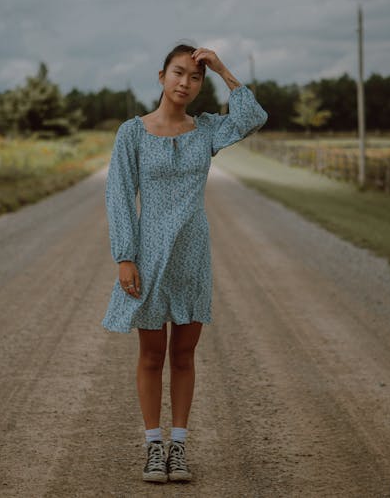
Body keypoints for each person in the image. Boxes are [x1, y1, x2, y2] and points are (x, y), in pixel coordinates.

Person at [101, 44, 268, 483]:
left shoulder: (207, 130)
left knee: (184, 354)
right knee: (152, 354)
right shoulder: (131, 133)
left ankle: (179, 447)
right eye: (179, 74)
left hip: (193, 254)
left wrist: (223, 69)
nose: (185, 84)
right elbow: (118, 195)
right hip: (150, 255)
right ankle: (153, 447)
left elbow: (253, 118)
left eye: (195, 78)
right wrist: (125, 256)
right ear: (161, 76)